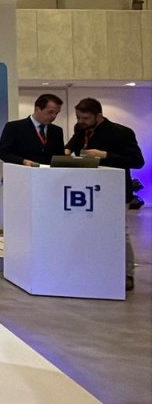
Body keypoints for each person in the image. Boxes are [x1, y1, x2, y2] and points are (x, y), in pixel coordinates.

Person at [64, 98, 144, 292]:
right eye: (78, 117)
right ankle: (95, 268)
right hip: (87, 191)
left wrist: (105, 155)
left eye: (85, 118)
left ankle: (126, 274)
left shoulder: (121, 132)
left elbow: (137, 161)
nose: (81, 121)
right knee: (90, 231)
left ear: (99, 115)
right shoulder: (80, 130)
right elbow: (70, 147)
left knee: (120, 232)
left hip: (114, 191)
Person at [0, 94, 65, 167]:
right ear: (37, 109)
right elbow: (3, 153)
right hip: (21, 171)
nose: (54, 116)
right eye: (50, 112)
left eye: (56, 113)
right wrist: (23, 161)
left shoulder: (57, 131)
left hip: (48, 173)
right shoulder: (14, 127)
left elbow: (60, 157)